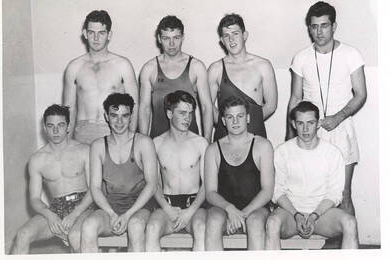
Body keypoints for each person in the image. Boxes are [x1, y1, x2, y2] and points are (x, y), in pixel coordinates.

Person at [286, 1, 367, 216]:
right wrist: (289, 135)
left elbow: (361, 94)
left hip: (341, 131)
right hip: (310, 132)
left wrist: (338, 117)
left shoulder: (351, 54)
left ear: (334, 26)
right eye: (314, 26)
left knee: (343, 194)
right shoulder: (301, 57)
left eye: (324, 25)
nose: (319, 31)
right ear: (309, 28)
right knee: (315, 195)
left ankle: (350, 246)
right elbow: (295, 97)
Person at [266, 101, 359, 249]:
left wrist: (314, 216)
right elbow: (277, 191)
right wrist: (297, 215)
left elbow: (334, 194)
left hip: (322, 215)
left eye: (310, 123)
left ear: (318, 123)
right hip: (291, 214)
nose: (305, 129)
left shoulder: (332, 153)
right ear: (294, 124)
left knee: (350, 223)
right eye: (300, 123)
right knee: (272, 223)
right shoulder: (282, 152)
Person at [11, 104, 94, 254]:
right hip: (56, 208)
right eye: (51, 126)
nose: (55, 131)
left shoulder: (84, 150)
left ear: (68, 127)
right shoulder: (37, 160)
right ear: (45, 128)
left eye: (61, 125)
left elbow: (94, 190)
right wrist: (50, 216)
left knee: (76, 237)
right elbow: (35, 199)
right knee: (22, 236)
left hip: (84, 206)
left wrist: (75, 214)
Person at [80, 93, 157, 252]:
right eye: (114, 116)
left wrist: (128, 215)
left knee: (135, 226)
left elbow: (152, 185)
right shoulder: (98, 146)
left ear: (131, 117)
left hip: (139, 208)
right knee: (88, 226)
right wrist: (112, 214)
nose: (120, 121)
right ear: (106, 117)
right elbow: (95, 187)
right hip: (110, 207)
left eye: (124, 116)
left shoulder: (143, 142)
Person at [204, 96, 274, 250]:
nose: (235, 121)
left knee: (254, 223)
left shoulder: (262, 145)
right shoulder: (213, 149)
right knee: (213, 221)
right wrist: (230, 209)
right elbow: (210, 192)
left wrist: (242, 214)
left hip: (255, 208)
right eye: (230, 117)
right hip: (224, 208)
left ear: (248, 118)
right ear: (223, 120)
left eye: (240, 116)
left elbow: (268, 191)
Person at [63, 10, 139, 145]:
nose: (96, 38)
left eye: (101, 33)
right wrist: (67, 145)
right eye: (92, 33)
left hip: (114, 130)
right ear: (85, 34)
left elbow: (134, 105)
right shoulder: (74, 67)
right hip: (83, 131)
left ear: (109, 35)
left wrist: (130, 140)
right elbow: (69, 109)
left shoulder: (122, 65)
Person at [145, 90, 208, 251]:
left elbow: (207, 185)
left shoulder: (201, 143)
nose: (187, 118)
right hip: (167, 205)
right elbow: (154, 184)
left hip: (194, 206)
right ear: (169, 113)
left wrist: (189, 212)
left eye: (190, 113)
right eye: (182, 113)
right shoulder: (156, 143)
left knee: (201, 228)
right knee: (151, 228)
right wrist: (168, 209)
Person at [139, 15, 213, 141]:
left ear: (182, 37)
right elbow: (144, 109)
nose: (171, 44)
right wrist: (143, 144)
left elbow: (206, 107)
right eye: (166, 38)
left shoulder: (196, 67)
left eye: (176, 38)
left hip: (190, 143)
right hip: (158, 142)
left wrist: (206, 141)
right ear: (159, 39)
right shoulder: (149, 69)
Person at [208, 13, 278, 141]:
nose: (231, 40)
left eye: (235, 34)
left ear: (244, 35)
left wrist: (249, 122)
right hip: (225, 136)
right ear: (222, 41)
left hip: (254, 132)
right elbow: (208, 106)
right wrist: (227, 124)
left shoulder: (263, 65)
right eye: (226, 36)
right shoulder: (215, 69)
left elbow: (271, 105)